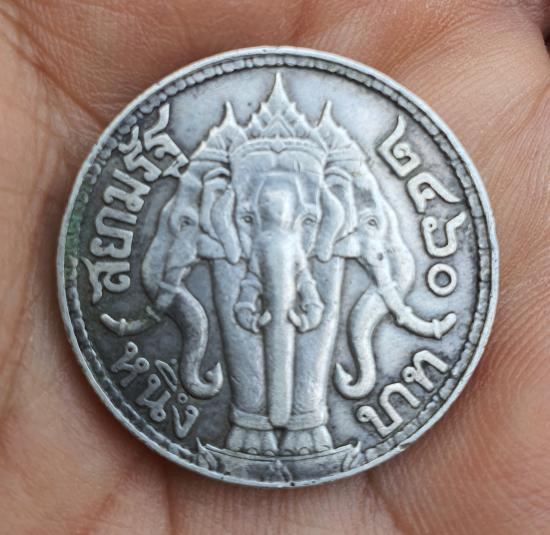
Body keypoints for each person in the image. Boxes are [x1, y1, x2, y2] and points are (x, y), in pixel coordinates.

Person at [0, 1, 548, 533]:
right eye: (241, 216)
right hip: (243, 245)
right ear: (222, 213)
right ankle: (250, 422)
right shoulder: (216, 213)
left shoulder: (335, 216)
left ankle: (308, 419)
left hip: (296, 241)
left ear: (331, 217)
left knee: (313, 308)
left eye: (313, 219)